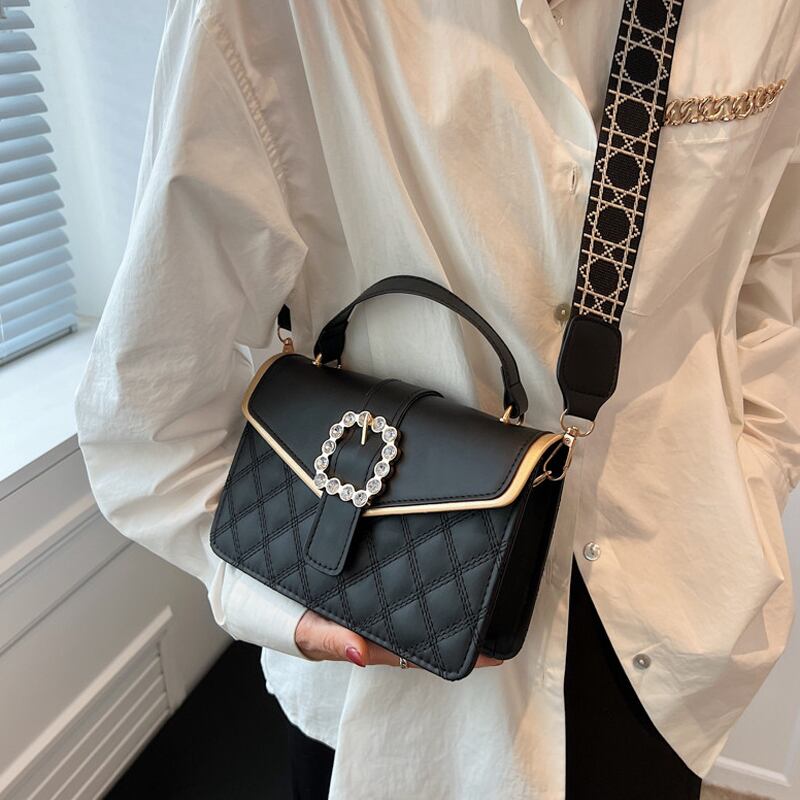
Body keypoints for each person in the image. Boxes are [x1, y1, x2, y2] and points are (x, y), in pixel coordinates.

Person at [74, 1, 800, 798]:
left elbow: (777, 266)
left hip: (661, 625)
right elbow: (149, 399)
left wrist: (758, 472)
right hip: (378, 644)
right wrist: (281, 603)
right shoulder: (281, 16)